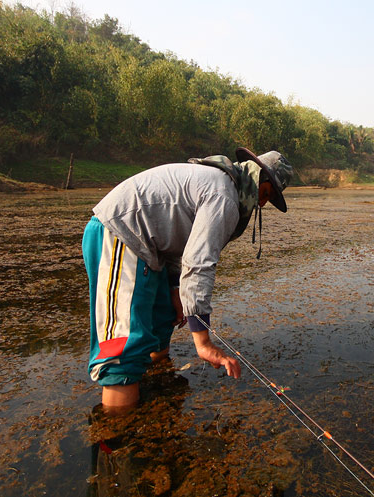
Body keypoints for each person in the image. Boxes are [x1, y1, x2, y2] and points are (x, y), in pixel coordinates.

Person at [82, 148, 293, 411]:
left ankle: (157, 399)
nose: (261, 205)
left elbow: (173, 237)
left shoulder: (223, 187)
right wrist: (203, 342)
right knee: (123, 349)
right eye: (265, 195)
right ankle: (118, 433)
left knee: (162, 322)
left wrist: (173, 289)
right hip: (120, 234)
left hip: (152, 248)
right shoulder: (222, 194)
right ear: (256, 177)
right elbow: (199, 263)